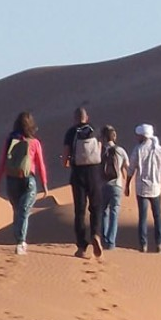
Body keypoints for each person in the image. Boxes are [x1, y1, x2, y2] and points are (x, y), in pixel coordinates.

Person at [0, 111, 49, 255]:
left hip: (11, 179)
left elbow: (2, 161)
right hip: (28, 179)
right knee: (24, 212)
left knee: (17, 211)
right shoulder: (35, 142)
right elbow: (40, 164)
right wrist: (44, 183)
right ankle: (20, 242)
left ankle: (19, 240)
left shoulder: (10, 140)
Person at [60, 107, 105, 259]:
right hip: (94, 173)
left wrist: (66, 162)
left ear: (74, 118)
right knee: (96, 207)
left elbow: (65, 156)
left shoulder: (71, 132)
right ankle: (96, 234)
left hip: (78, 174)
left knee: (80, 211)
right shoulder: (95, 130)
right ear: (87, 117)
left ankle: (81, 247)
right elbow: (98, 150)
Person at [126, 123, 161, 254]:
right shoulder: (160, 150)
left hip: (142, 189)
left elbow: (131, 169)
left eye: (138, 135)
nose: (136, 137)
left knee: (143, 218)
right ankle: (159, 245)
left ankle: (143, 246)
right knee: (158, 217)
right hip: (156, 188)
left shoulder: (138, 150)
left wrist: (127, 185)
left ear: (142, 136)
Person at [99, 125, 129, 250]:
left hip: (102, 185)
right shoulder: (120, 150)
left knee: (103, 213)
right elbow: (127, 166)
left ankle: (103, 240)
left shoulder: (100, 150)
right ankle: (111, 243)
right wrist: (128, 183)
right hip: (117, 185)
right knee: (114, 213)